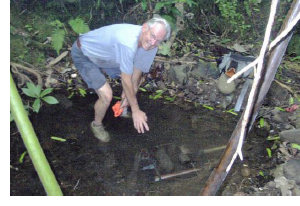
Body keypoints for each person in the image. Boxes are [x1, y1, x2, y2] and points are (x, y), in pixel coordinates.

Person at [71, 15, 171, 142]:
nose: (153, 43)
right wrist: (136, 110)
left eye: (158, 40)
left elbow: (137, 72)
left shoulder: (152, 45)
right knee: (107, 96)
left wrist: (131, 92)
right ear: (145, 27)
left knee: (132, 85)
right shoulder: (128, 42)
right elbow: (125, 80)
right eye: (152, 36)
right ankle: (96, 125)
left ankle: (122, 109)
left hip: (109, 57)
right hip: (85, 54)